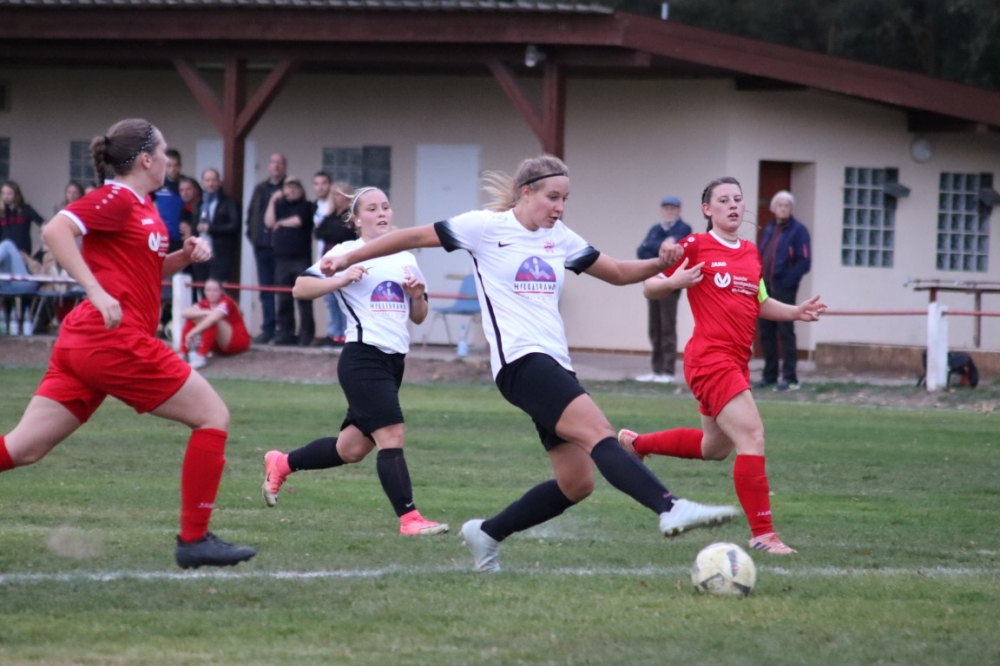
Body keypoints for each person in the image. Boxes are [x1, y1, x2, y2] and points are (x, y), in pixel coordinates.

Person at [322, 155, 738, 573]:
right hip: (521, 363)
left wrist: (662, 264)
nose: (560, 207)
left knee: (577, 483)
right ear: (526, 192)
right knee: (599, 432)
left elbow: (615, 271)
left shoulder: (559, 237)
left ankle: (487, 533)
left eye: (565, 199)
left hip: (555, 362)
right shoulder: (484, 227)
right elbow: (410, 236)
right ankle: (670, 507)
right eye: (552, 197)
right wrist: (346, 260)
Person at [0, 119, 256, 569]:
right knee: (212, 416)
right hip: (113, 340)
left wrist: (183, 257)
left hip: (86, 342)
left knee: (24, 449)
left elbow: (144, 273)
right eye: (165, 152)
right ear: (146, 159)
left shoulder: (144, 206)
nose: (169, 161)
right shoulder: (117, 197)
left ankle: (196, 540)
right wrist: (96, 291)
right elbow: (55, 231)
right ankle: (194, 540)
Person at [617, 176, 826, 556]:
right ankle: (763, 534)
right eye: (724, 200)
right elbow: (649, 287)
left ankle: (636, 444)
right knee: (753, 436)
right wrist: (675, 280)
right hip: (710, 359)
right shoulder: (695, 245)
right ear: (707, 209)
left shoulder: (750, 252)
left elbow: (759, 302)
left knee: (714, 448)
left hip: (735, 361)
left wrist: (795, 311)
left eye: (738, 199)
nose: (733, 205)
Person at [261, 186, 449, 537]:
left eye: (386, 207)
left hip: (394, 362)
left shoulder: (405, 257)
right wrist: (341, 278)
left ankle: (282, 463)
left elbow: (419, 316)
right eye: (372, 208)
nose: (382, 213)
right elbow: (300, 288)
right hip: (362, 358)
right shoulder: (344, 252)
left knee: (350, 449)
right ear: (357, 219)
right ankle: (410, 519)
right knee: (392, 434)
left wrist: (417, 296)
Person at [756, 190, 812, 391]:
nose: (783, 209)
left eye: (787, 206)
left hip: (784, 289)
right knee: (766, 332)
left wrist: (787, 281)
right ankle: (769, 375)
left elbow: (804, 262)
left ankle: (790, 377)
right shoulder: (769, 228)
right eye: (780, 205)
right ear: (773, 208)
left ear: (791, 209)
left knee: (785, 332)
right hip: (765, 288)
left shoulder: (799, 231)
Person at [635, 195, 692, 383]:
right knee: (654, 327)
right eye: (666, 208)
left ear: (678, 210)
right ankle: (656, 370)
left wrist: (656, 246)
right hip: (653, 281)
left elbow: (677, 251)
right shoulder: (655, 230)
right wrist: (662, 244)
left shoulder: (683, 229)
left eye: (672, 208)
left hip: (670, 282)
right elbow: (642, 251)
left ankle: (667, 371)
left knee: (667, 326)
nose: (669, 212)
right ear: (662, 210)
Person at [265, 174, 315, 346]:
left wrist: (281, 223)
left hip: (301, 258)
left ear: (301, 189)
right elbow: (269, 222)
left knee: (304, 297)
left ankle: (306, 334)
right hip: (281, 259)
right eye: (288, 187)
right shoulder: (279, 205)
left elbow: (298, 221)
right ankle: (285, 333)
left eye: (295, 187)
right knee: (283, 299)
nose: (292, 190)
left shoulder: (307, 205)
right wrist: (273, 200)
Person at [246, 153, 287, 344]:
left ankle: (284, 330)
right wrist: (253, 236)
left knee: (282, 290)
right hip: (261, 246)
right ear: (269, 166)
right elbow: (251, 214)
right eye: (273, 162)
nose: (276, 166)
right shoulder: (260, 189)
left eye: (279, 163)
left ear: (284, 166)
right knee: (265, 289)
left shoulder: (289, 188)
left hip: (282, 248)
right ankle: (268, 329)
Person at [312, 174, 354, 347]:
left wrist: (332, 233)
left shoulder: (351, 216)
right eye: (336, 193)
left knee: (344, 298)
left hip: (345, 262)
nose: (340, 197)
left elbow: (344, 234)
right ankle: (333, 333)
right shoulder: (330, 216)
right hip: (328, 262)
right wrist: (333, 232)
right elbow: (318, 232)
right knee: (331, 299)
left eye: (343, 193)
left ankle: (345, 334)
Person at [180, 277, 251, 370]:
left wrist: (192, 332)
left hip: (236, 341)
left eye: (215, 290)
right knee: (195, 316)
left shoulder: (227, 301)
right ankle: (184, 353)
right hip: (219, 346)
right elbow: (184, 313)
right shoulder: (205, 303)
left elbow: (213, 318)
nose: (211, 293)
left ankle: (201, 356)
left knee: (210, 320)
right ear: (204, 291)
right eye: (208, 290)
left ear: (221, 291)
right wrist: (206, 312)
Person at [199, 168, 242, 286]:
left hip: (221, 253)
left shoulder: (229, 202)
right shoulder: (200, 202)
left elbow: (235, 225)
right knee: (201, 287)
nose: (211, 184)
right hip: (201, 252)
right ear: (202, 183)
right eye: (207, 180)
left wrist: (211, 228)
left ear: (219, 182)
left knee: (218, 287)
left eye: (213, 180)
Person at [178, 176, 206, 301]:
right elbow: (185, 235)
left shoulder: (204, 206)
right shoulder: (184, 211)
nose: (185, 193)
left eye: (188, 189)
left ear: (196, 190)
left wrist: (192, 233)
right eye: (181, 190)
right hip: (191, 253)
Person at [152, 148, 185, 253]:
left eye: (176, 165)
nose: (173, 169)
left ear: (180, 166)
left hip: (183, 237)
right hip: (163, 236)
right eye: (169, 166)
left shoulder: (187, 184)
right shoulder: (157, 184)